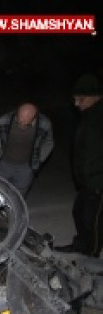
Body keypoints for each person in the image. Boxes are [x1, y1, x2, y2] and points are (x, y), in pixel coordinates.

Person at [56, 74, 103, 256]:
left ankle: (91, 252)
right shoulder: (88, 115)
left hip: (98, 181)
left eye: (80, 99)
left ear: (94, 97)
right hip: (86, 179)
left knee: (93, 219)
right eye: (75, 99)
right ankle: (82, 244)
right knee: (79, 212)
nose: (76, 104)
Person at [0, 102, 54, 196]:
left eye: (27, 123)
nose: (22, 125)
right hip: (3, 163)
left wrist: (39, 160)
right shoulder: (4, 120)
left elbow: (49, 143)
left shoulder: (44, 124)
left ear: (35, 118)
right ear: (16, 114)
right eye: (19, 121)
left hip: (26, 167)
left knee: (18, 195)